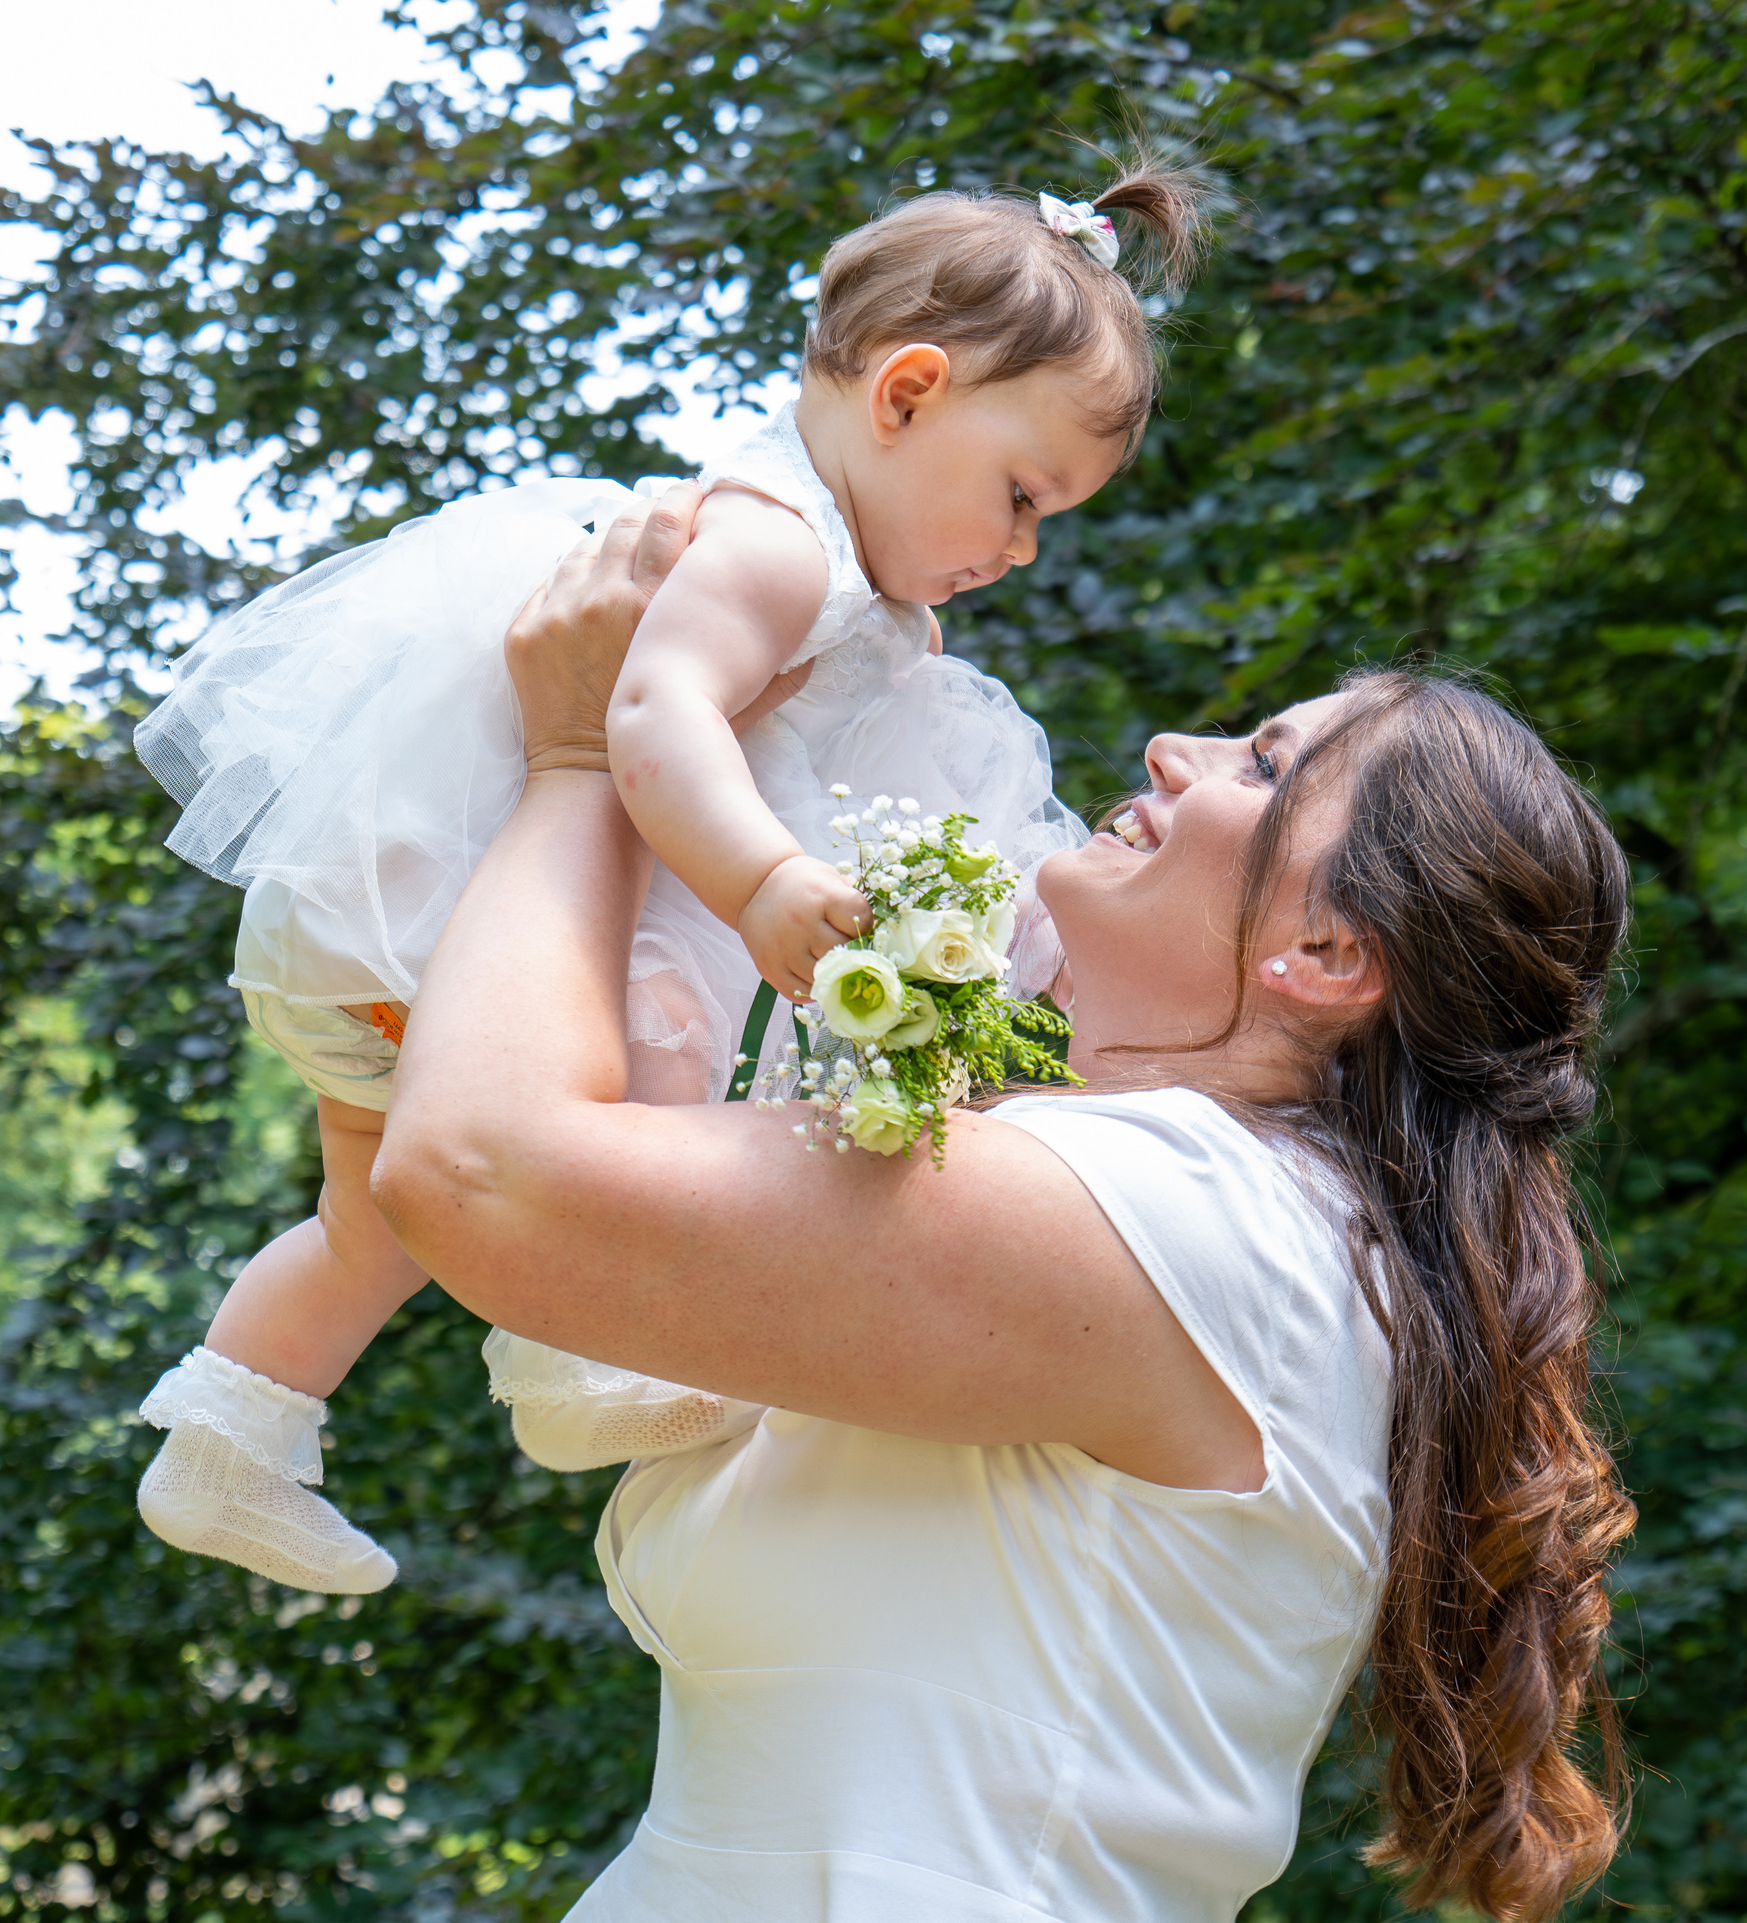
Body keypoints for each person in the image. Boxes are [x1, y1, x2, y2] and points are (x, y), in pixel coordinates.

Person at [366, 492, 1640, 1922]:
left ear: (1331, 948)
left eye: (1264, 764)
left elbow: (480, 1173)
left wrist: (585, 755)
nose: (1176, 748)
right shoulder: (1220, 1224)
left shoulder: (1205, 1224)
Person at [127, 160, 1215, 1592]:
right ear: (906, 394)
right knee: (658, 1060)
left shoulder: (831, 569)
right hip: (482, 927)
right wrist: (764, 883)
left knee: (370, 1215)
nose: (1018, 548)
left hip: (401, 940)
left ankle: (225, 1440)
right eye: (1020, 495)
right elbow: (649, 720)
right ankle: (586, 1357)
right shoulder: (777, 549)